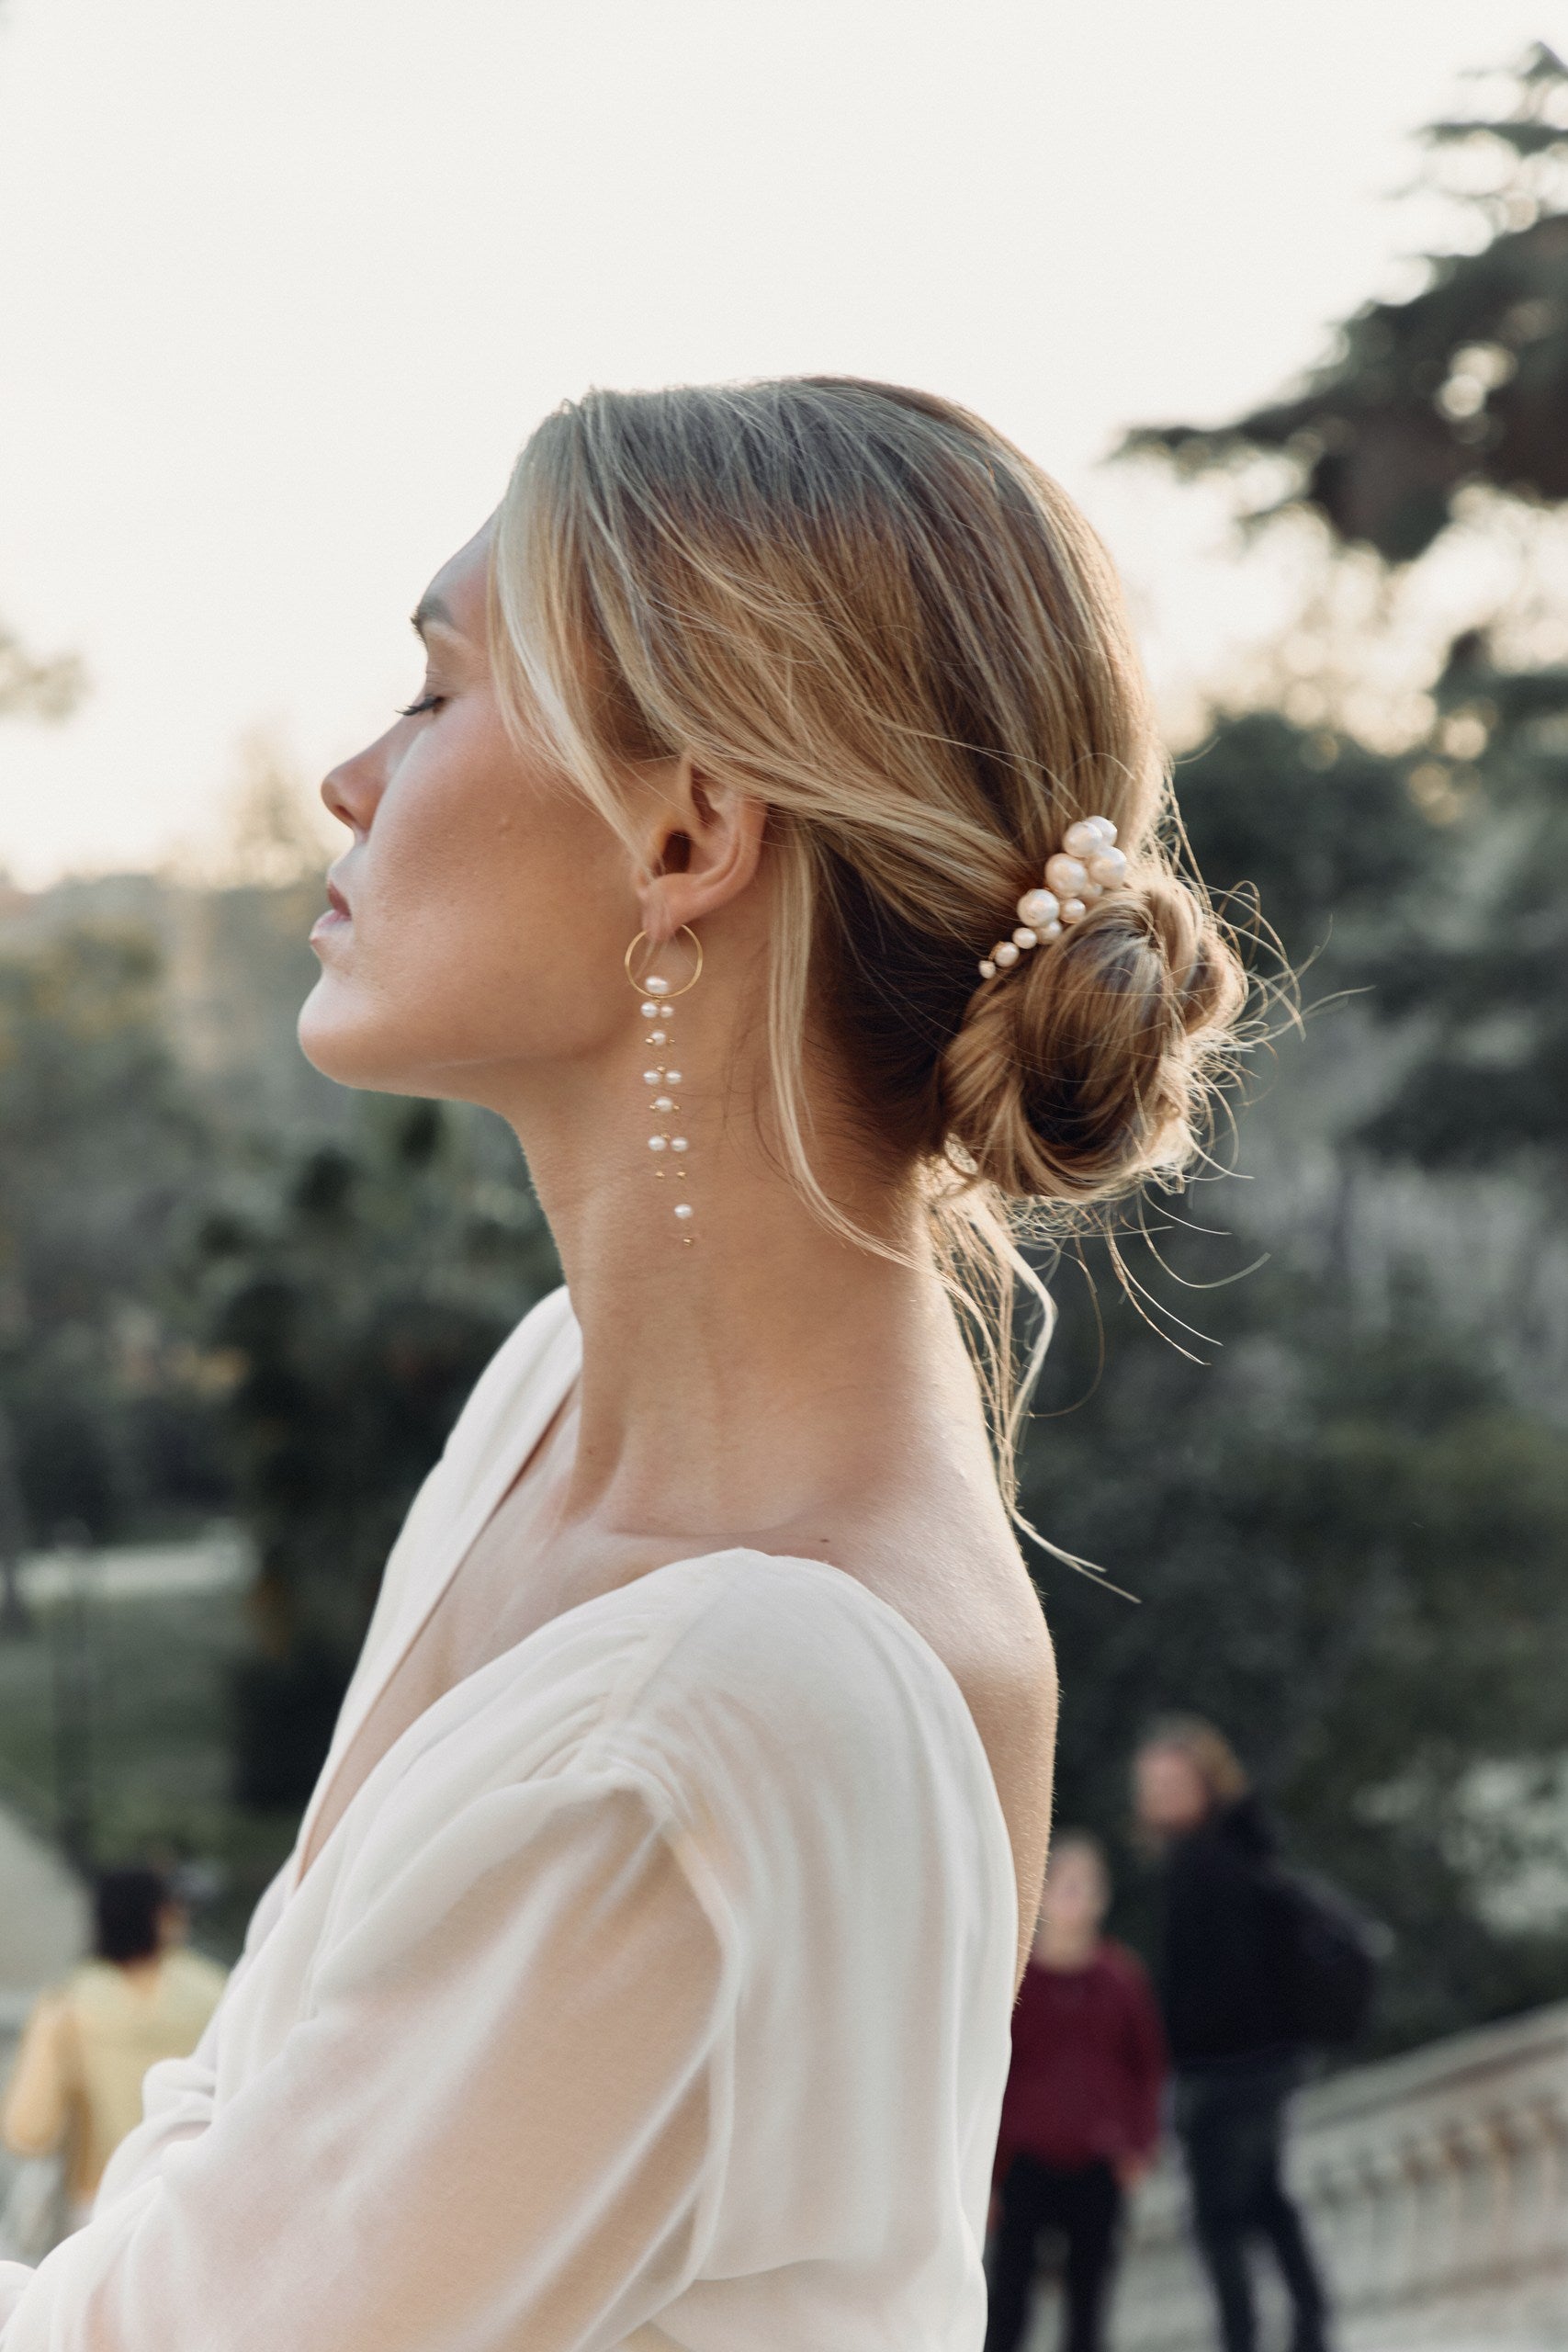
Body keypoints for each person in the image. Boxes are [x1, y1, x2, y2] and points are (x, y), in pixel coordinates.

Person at [0, 378, 1247, 2348]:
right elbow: (216, 2159)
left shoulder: (712, 1710)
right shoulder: (546, 1404)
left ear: (683, 831)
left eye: (430, 690)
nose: (349, 775)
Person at [1134, 1719, 1333, 2352]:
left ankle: (1249, 2337)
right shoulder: (1243, 1852)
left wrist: (1185, 2057)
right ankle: (1308, 2325)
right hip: (1261, 2066)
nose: (1159, 1796)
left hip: (1231, 2073)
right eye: (1151, 1785)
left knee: (1220, 2218)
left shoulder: (1208, 1865)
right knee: (1267, 2202)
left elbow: (1218, 1985)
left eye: (1172, 1782)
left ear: (1205, 1783)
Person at [987, 1833, 1166, 2352]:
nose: (1075, 1900)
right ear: (1042, 1895)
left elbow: (1147, 2067)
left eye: (1086, 1888)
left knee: (1089, 2304)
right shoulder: (1018, 1979)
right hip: (1024, 2159)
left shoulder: (1120, 1979)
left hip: (1097, 2160)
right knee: (1008, 2299)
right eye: (1065, 1887)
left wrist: (1138, 2145)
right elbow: (999, 2069)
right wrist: (989, 2168)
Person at [2, 1868, 227, 2232]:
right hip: (202, 2198)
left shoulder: (69, 2003)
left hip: (103, 2205)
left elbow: (28, 2130)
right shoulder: (216, 1993)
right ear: (165, 1916)